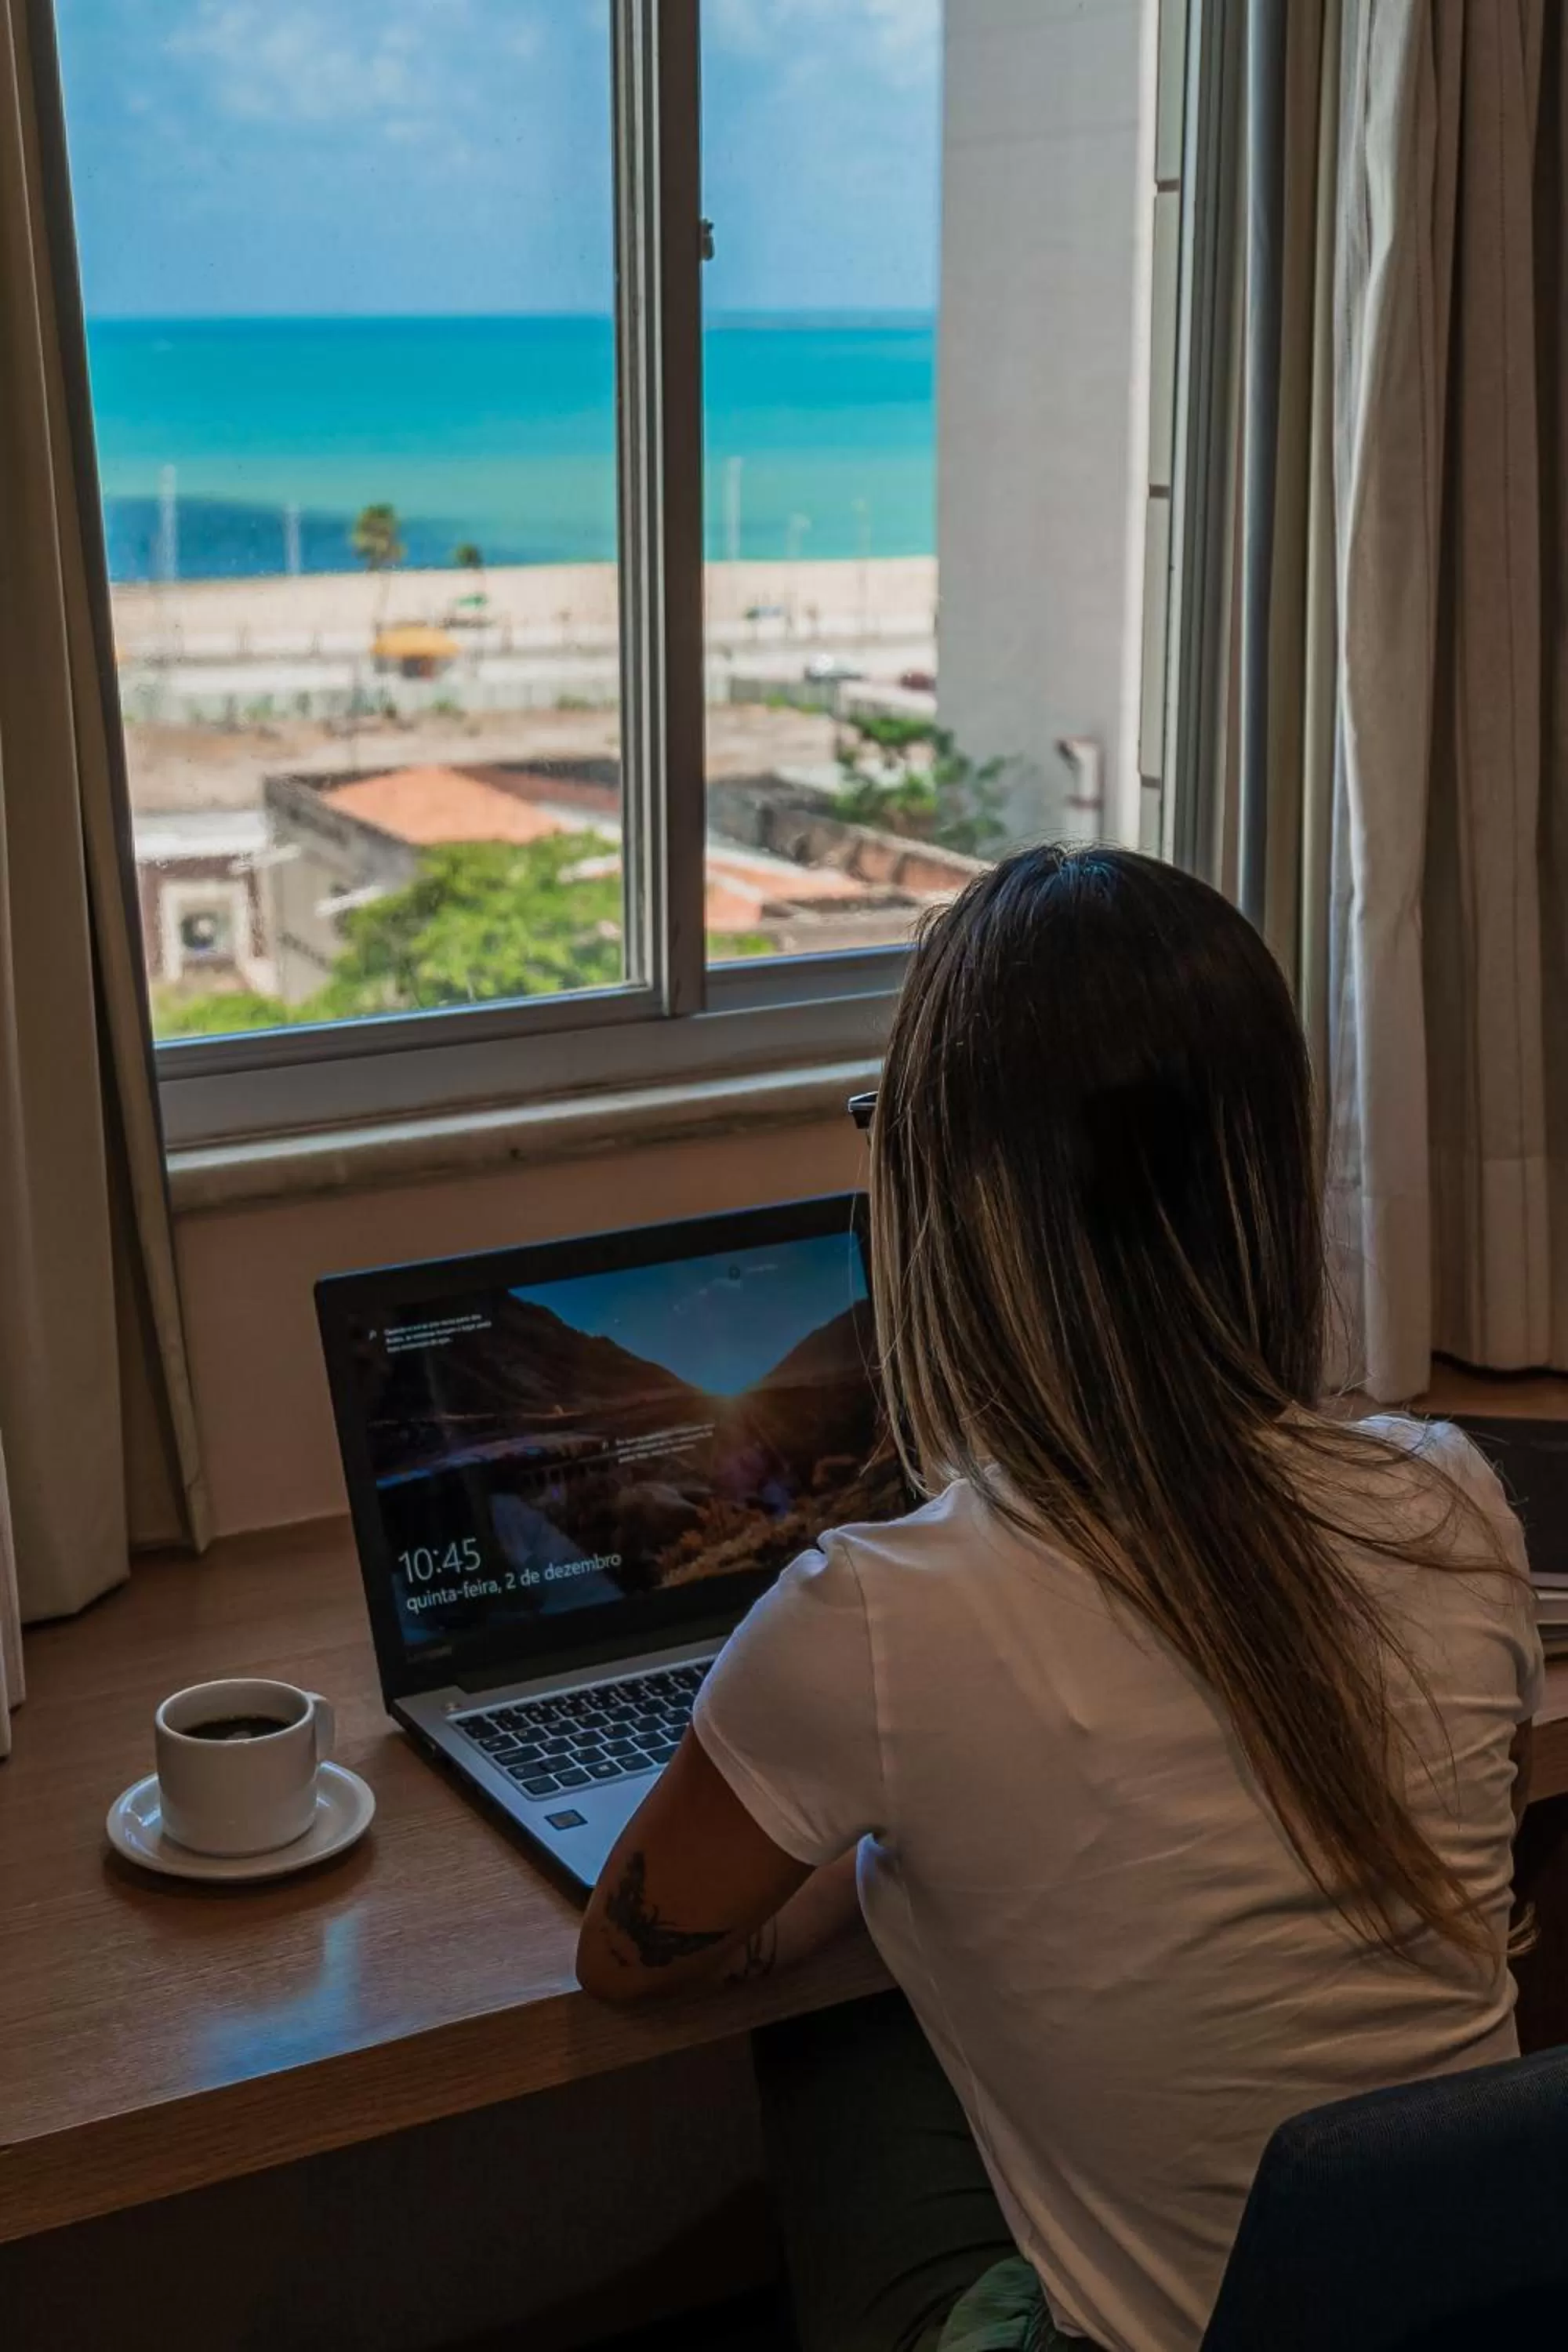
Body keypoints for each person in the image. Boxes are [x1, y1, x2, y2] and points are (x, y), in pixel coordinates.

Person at [575, 846, 1541, 2352]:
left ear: (948, 1209)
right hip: (1473, 2313)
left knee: (843, 2039)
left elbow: (630, 1961)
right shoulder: (1449, 1505)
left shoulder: (876, 1620)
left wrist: (866, 1846)